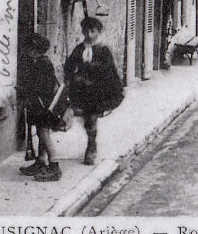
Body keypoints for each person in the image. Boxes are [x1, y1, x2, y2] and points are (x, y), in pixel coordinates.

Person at [64, 17, 124, 165]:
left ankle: (91, 146)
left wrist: (91, 68)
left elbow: (108, 69)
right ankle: (92, 141)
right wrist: (72, 76)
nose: (89, 35)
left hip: (98, 90)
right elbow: (70, 65)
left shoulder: (103, 50)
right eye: (86, 32)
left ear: (99, 32)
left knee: (92, 118)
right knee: (86, 119)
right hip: (82, 90)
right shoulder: (80, 49)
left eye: (93, 31)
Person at [18, 35, 62, 181]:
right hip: (43, 104)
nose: (28, 51)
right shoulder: (42, 62)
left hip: (42, 105)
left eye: (30, 49)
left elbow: (40, 87)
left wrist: (24, 91)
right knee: (42, 131)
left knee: (43, 133)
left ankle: (54, 165)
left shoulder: (42, 64)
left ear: (35, 50)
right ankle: (41, 161)